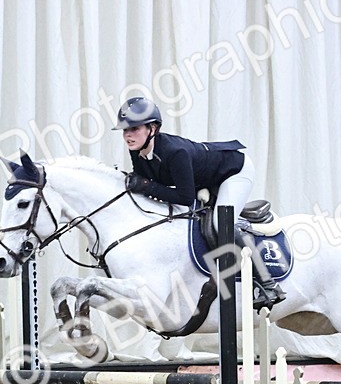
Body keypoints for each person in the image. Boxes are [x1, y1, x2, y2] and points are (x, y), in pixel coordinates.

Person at [112, 96, 286, 309]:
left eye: (134, 129)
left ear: (153, 129)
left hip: (234, 171)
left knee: (221, 223)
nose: (128, 135)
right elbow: (148, 184)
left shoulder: (175, 152)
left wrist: (147, 186)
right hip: (204, 178)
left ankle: (268, 284)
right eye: (125, 130)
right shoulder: (137, 149)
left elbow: (184, 197)